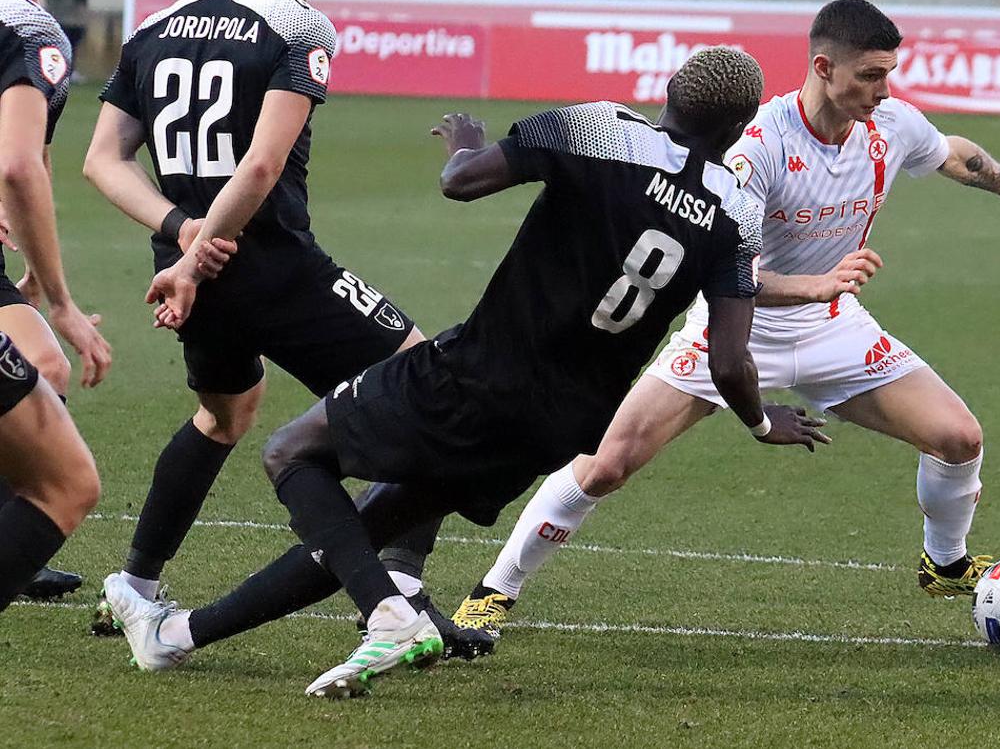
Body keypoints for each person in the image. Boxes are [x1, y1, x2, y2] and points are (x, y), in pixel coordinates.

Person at [102, 45, 829, 698]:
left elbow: (462, 183)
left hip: (477, 379)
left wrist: (468, 142)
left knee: (291, 451)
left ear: (667, 91)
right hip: (558, 428)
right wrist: (763, 422)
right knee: (368, 526)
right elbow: (730, 358)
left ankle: (388, 615)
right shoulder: (737, 213)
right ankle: (178, 639)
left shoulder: (604, 128)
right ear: (737, 132)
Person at [446, 0, 1000, 644]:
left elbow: (953, 153)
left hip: (835, 327)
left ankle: (944, 563)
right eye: (870, 75)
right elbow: (722, 272)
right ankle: (494, 589)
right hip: (731, 332)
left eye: (889, 73)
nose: (883, 89)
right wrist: (813, 285)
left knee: (958, 438)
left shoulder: (891, 124)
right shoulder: (759, 148)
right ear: (823, 66)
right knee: (606, 466)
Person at [80, 0, 484, 652]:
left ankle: (135, 588)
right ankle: (396, 595)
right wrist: (201, 250)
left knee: (223, 415)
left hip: (193, 280)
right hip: (273, 267)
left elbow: (102, 160)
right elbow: (261, 166)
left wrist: (182, 236)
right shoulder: (299, 25)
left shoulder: (158, 25)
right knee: (428, 384)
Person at [0, 0, 106, 610]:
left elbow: (26, 161)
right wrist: (62, 302)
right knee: (70, 482)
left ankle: (18, 542)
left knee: (43, 364)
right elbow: (20, 164)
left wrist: (38, 272)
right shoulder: (31, 33)